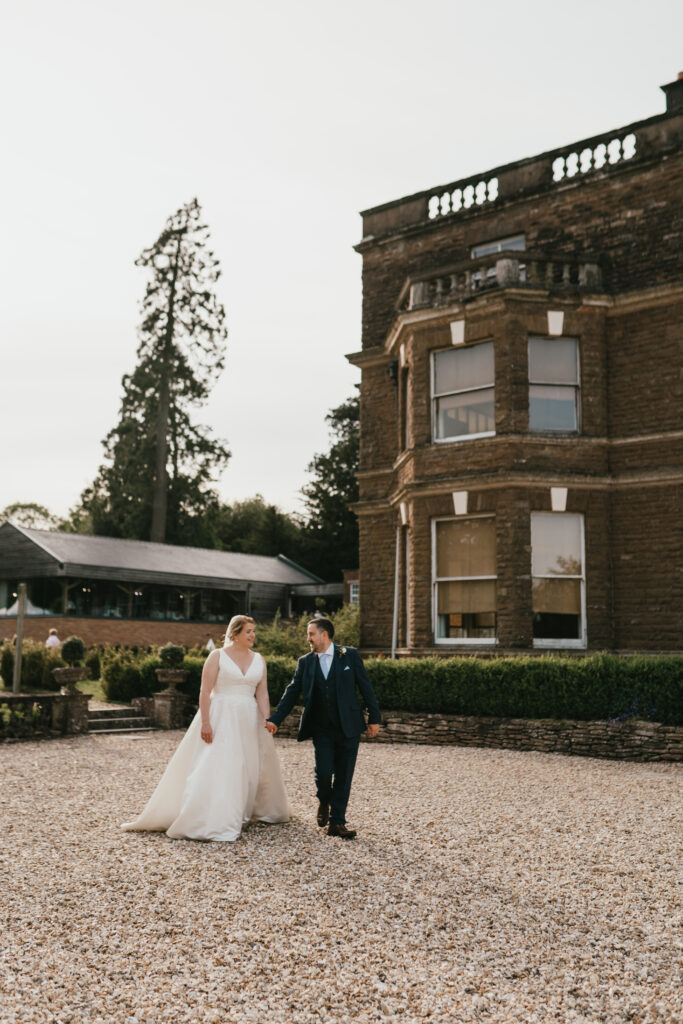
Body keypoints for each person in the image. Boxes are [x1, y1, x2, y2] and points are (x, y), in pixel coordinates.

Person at [122, 615, 290, 842]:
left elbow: (262, 692)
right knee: (220, 763)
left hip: (249, 718)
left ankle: (240, 810)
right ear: (235, 633)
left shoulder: (259, 659)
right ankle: (214, 815)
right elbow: (204, 691)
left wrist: (267, 718)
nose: (253, 635)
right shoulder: (217, 656)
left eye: (254, 631)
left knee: (248, 765)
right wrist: (206, 722)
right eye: (248, 631)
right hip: (221, 716)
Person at [266, 617, 381, 840]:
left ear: (324, 634)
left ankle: (338, 822)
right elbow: (292, 692)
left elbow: (366, 687)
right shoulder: (305, 662)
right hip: (322, 728)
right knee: (324, 772)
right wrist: (276, 719)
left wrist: (374, 717)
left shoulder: (350, 655)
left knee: (344, 776)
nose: (308, 639)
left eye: (311, 634)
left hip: (349, 726)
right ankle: (324, 800)